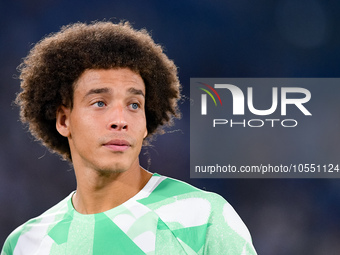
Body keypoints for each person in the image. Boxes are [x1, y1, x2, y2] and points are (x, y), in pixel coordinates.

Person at [1, 21, 257, 255]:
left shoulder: (202, 218)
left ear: (147, 122)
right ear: (63, 120)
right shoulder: (25, 243)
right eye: (100, 102)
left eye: (134, 105)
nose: (120, 120)